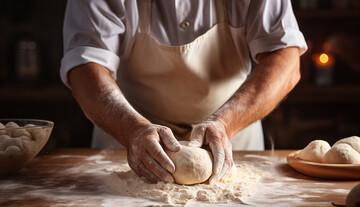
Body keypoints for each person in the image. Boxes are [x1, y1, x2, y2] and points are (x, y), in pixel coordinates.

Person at [60, 0, 307, 184]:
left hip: (233, 144)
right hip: (126, 146)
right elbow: (85, 65)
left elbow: (285, 59)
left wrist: (224, 124)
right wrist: (132, 129)